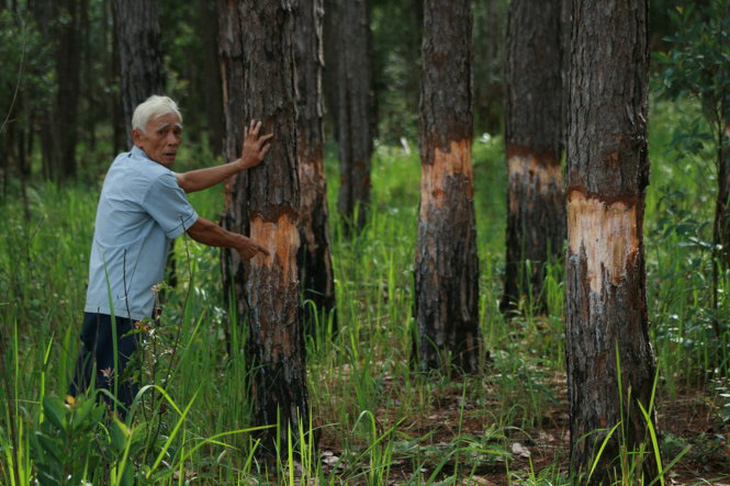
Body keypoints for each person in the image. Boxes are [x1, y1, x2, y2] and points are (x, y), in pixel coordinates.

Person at [68, 95, 272, 415]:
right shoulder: (152, 178)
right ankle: (114, 461)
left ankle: (74, 454)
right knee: (116, 399)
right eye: (162, 132)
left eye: (177, 132)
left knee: (84, 390)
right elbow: (197, 228)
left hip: (101, 302)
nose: (172, 140)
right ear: (138, 136)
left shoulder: (126, 163)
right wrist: (241, 244)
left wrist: (242, 164)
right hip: (124, 307)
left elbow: (184, 181)